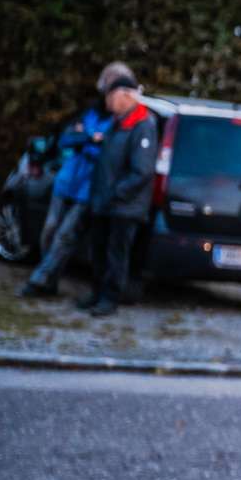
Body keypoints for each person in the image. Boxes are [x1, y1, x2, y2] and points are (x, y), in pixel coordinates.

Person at [16, 83, 112, 298]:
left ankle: (38, 280)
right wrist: (90, 138)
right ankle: (50, 281)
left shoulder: (115, 122)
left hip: (88, 188)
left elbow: (109, 152)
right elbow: (66, 140)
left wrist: (85, 138)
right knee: (49, 232)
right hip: (66, 181)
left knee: (64, 235)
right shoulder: (89, 114)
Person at [77, 66, 158, 316]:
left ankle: (110, 298)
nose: (107, 102)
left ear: (125, 95)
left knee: (116, 254)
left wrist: (116, 193)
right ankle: (97, 292)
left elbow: (142, 171)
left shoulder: (143, 125)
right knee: (98, 250)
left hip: (124, 206)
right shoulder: (117, 122)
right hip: (105, 201)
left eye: (110, 96)